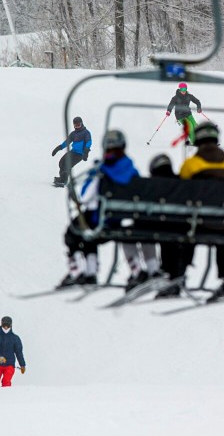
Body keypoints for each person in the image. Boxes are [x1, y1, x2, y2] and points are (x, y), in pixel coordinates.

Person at [58, 129, 145, 288]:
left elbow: (86, 197)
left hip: (100, 220)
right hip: (119, 221)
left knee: (75, 231)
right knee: (88, 230)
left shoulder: (101, 171)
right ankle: (137, 270)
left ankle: (81, 272)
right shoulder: (132, 171)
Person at [179, 122, 224, 301]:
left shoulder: (191, 164)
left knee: (181, 229)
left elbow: (180, 191)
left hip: (196, 224)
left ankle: (178, 273)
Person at [149, 154, 190, 299]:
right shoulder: (180, 182)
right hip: (185, 226)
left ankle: (168, 272)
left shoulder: (153, 183)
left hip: (161, 226)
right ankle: (178, 274)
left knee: (166, 232)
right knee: (178, 235)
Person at [52, 116, 92, 186]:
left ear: (82, 124)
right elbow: (67, 142)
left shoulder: (86, 133)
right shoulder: (73, 134)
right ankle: (62, 178)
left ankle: (63, 181)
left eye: (78, 125)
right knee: (62, 162)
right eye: (75, 125)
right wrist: (59, 147)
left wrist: (86, 151)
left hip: (80, 154)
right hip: (73, 152)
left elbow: (89, 142)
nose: (77, 127)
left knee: (67, 165)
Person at [0, 316, 26, 388]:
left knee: (6, 381)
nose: (6, 327)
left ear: (11, 325)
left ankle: (6, 397)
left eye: (7, 325)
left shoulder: (15, 338)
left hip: (9, 364)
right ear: (1, 324)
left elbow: (19, 352)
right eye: (4, 325)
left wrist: (22, 364)